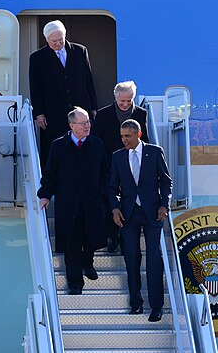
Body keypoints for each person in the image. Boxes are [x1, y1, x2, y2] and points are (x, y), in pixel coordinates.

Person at [108, 119, 172, 322]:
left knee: (154, 258)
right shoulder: (117, 157)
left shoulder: (154, 152)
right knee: (131, 257)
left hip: (153, 212)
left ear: (138, 134)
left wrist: (164, 205)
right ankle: (136, 304)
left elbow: (166, 181)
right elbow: (111, 187)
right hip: (128, 214)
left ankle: (157, 306)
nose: (124, 140)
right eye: (121, 136)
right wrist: (115, 209)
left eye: (127, 136)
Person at [38, 107, 108, 295]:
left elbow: (105, 172)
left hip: (92, 200)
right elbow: (50, 173)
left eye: (88, 122)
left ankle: (88, 262)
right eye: (83, 123)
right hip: (68, 203)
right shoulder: (59, 146)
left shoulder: (97, 144)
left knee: (91, 237)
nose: (87, 126)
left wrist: (103, 191)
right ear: (72, 125)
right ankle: (75, 283)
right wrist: (44, 195)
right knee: (71, 243)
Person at [29, 20, 98, 167]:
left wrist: (93, 107)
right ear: (46, 39)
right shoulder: (37, 58)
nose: (58, 43)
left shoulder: (80, 51)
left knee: (83, 145)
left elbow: (89, 80)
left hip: (80, 109)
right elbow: (35, 86)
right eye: (54, 41)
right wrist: (39, 113)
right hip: (53, 112)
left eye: (61, 40)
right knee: (55, 148)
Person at [91, 80, 149, 252]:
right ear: (115, 97)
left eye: (129, 100)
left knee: (129, 201)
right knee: (110, 201)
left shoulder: (141, 114)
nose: (125, 104)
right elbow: (96, 141)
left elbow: (144, 140)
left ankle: (126, 240)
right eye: (122, 100)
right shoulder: (103, 115)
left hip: (133, 165)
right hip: (109, 165)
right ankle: (112, 237)